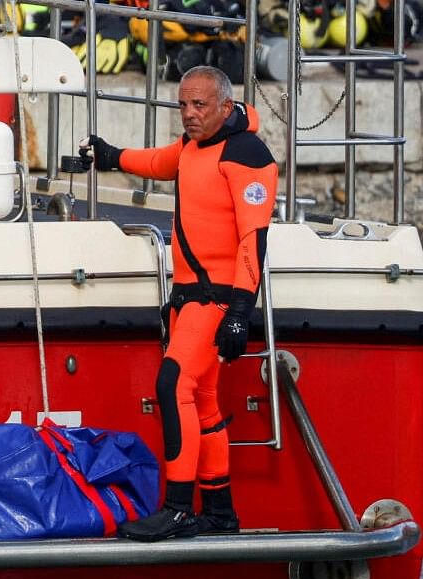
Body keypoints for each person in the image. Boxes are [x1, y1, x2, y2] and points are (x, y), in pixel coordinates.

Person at [79, 65, 277, 542]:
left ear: (225, 107)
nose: (188, 114)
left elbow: (255, 239)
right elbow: (158, 162)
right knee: (204, 403)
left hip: (218, 298)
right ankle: (220, 512)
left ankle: (179, 507)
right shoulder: (194, 148)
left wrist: (240, 312)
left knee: (172, 385)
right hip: (188, 298)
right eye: (183, 105)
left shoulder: (246, 154)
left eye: (199, 105)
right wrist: (110, 156)